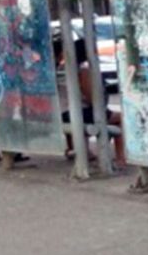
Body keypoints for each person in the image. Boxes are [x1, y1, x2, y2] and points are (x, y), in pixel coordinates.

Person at [53, 33, 125, 168]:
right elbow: (90, 96)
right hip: (76, 113)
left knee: (84, 114)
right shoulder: (83, 70)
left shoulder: (62, 69)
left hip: (62, 113)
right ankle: (121, 158)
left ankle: (75, 149)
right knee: (119, 118)